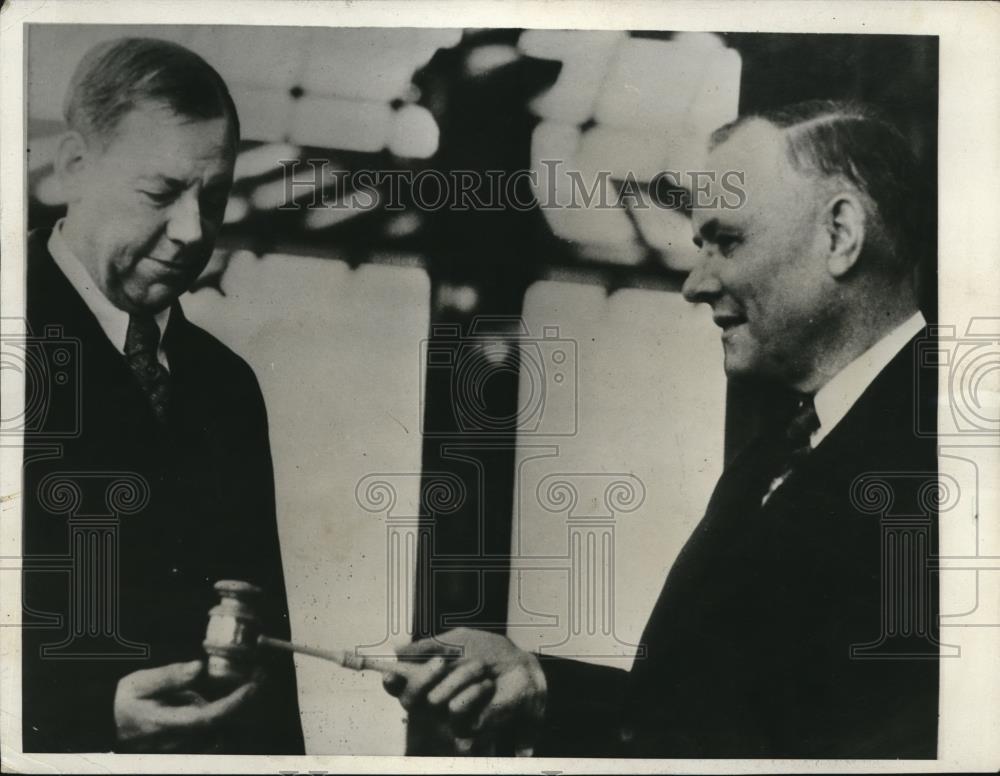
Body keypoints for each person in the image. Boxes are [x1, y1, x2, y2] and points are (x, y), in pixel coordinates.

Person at [384, 100, 939, 758]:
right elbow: (730, 717)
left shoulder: (955, 461)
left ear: (841, 234)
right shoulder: (780, 453)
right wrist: (540, 687)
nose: (695, 284)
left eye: (726, 241)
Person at [22, 37, 304, 753]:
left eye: (212, 198)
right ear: (74, 167)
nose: (192, 232)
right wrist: (84, 718)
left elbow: (263, 658)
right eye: (161, 194)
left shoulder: (227, 386)